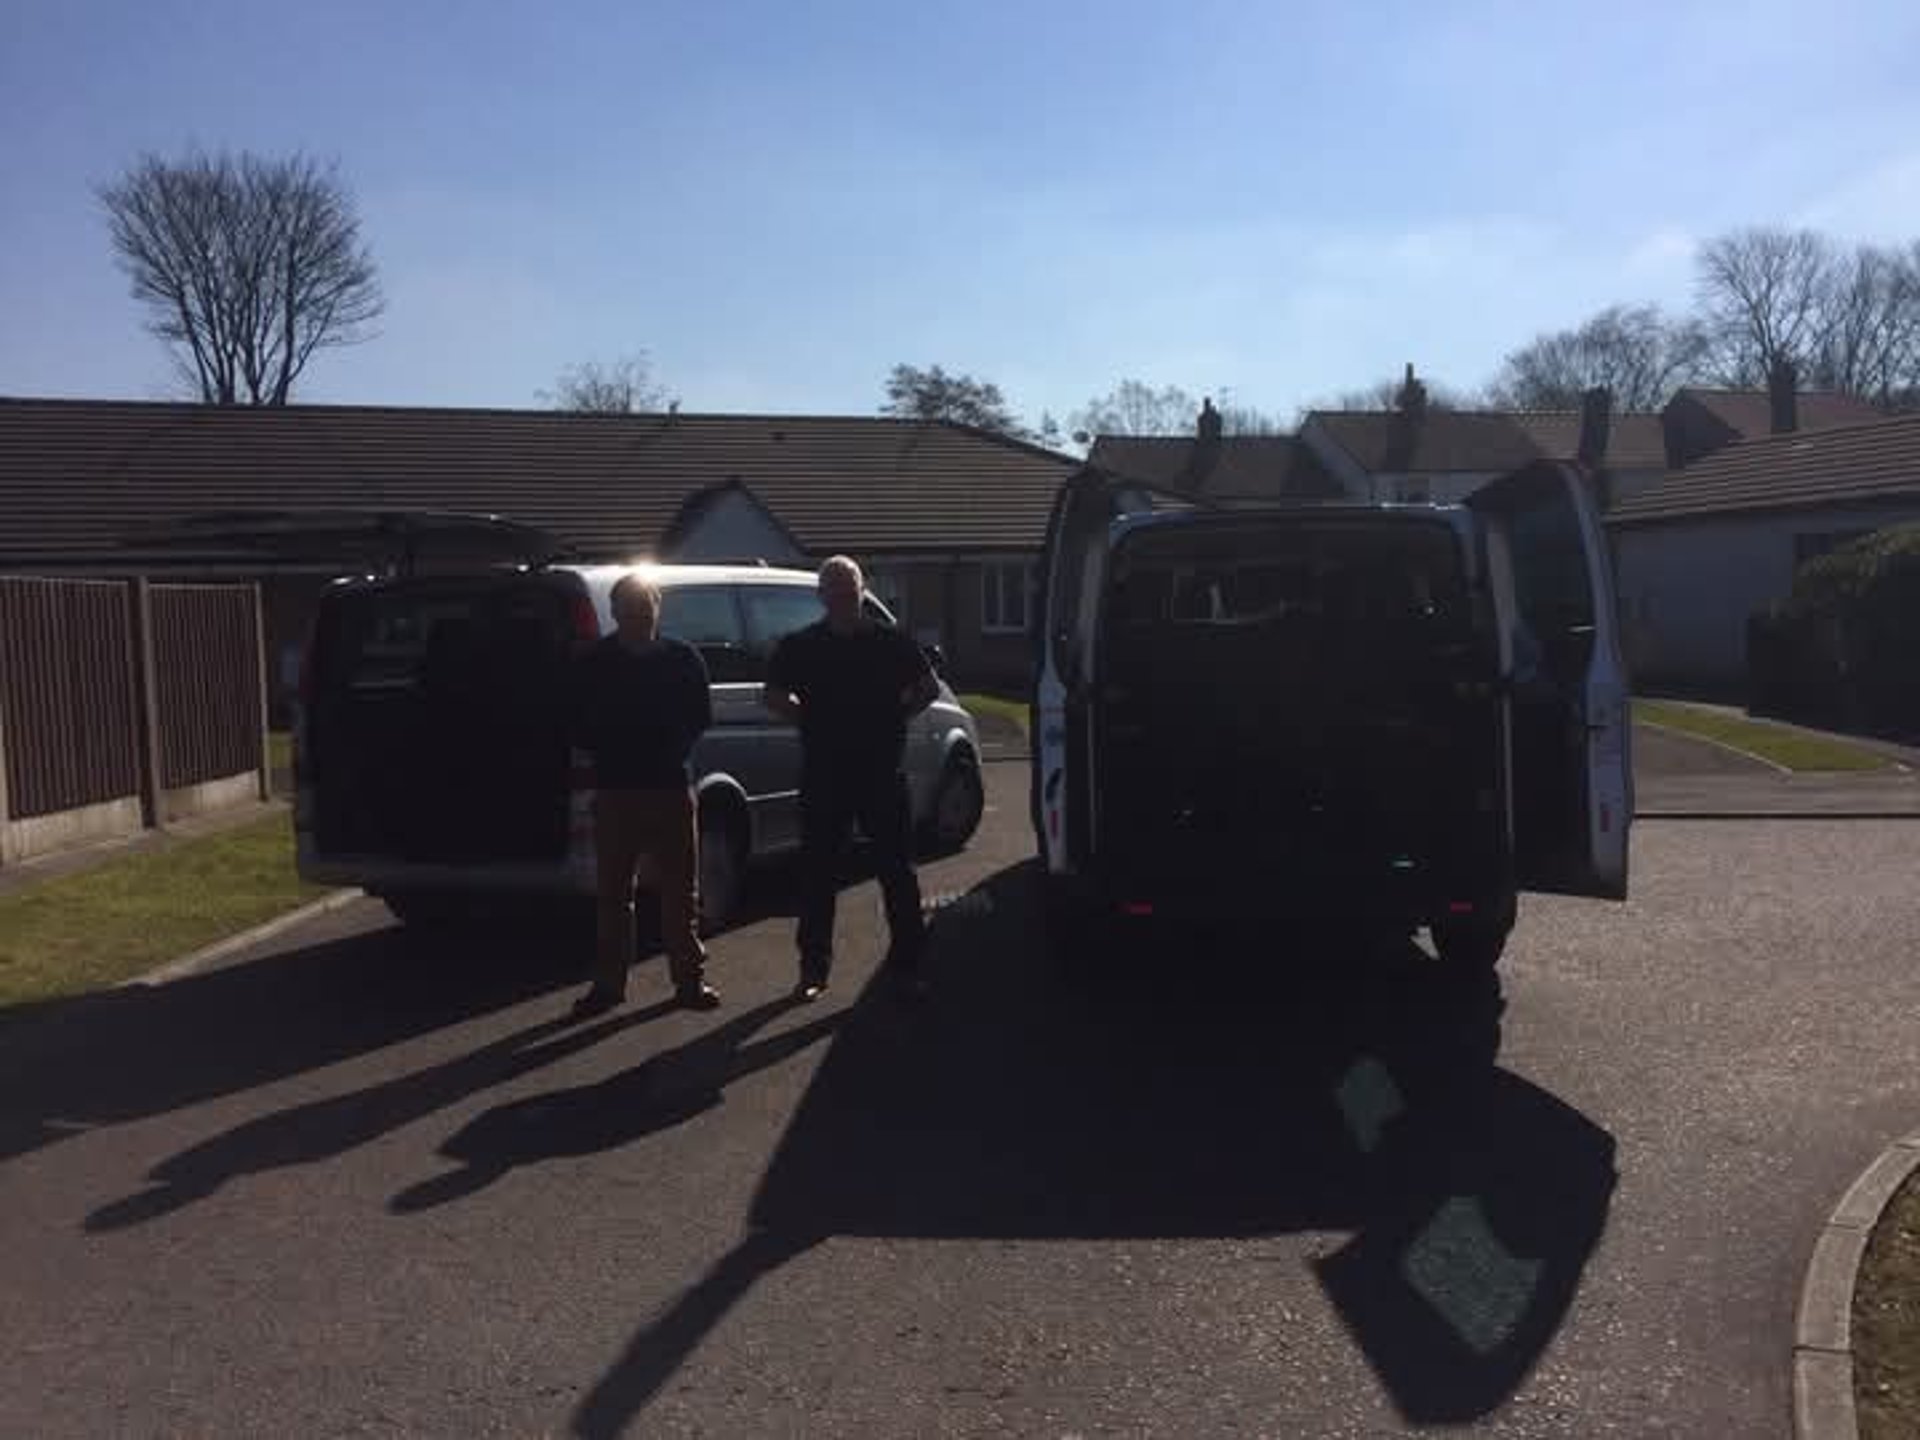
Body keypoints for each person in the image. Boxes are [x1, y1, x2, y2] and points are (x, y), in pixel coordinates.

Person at [762, 555, 941, 1002]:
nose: (842, 599)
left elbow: (929, 688)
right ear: (821, 596)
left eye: (849, 591)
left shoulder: (890, 642)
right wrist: (807, 719)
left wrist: (896, 716)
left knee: (896, 872)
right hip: (825, 773)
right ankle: (813, 971)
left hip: (880, 771)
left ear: (861, 592)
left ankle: (908, 963)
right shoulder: (801, 646)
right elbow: (773, 694)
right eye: (834, 591)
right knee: (818, 875)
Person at [570, 571, 718, 1018]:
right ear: (615, 613)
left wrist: (669, 749)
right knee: (614, 894)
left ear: (657, 608)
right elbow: (574, 721)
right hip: (615, 789)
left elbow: (699, 716)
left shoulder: (684, 659)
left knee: (680, 893)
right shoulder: (595, 663)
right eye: (629, 608)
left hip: (671, 788)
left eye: (646, 605)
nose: (638, 614)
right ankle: (609, 984)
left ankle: (689, 981)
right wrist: (610, 750)